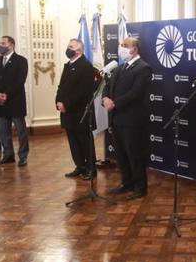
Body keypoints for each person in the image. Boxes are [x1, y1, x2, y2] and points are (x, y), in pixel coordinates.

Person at [102, 37, 153, 200]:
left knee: (134, 154)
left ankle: (140, 187)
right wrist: (105, 99)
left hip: (132, 120)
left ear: (135, 49)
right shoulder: (119, 68)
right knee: (121, 155)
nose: (122, 48)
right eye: (121, 45)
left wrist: (115, 103)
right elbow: (107, 88)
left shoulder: (143, 68)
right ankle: (126, 182)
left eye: (125, 46)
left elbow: (135, 93)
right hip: (116, 119)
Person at [56, 39, 96, 180]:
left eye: (71, 47)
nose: (68, 49)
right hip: (67, 112)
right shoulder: (68, 65)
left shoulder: (86, 66)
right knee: (73, 141)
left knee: (84, 141)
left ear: (79, 50)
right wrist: (58, 102)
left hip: (80, 112)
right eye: (68, 46)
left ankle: (91, 168)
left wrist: (66, 104)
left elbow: (82, 92)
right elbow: (61, 86)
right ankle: (80, 166)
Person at [0, 35, 29, 167]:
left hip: (15, 101)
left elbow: (20, 80)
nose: (0, 45)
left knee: (21, 131)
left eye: (3, 43)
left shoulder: (21, 61)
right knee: (4, 131)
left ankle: (23, 156)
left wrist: (6, 94)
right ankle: (8, 155)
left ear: (11, 45)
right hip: (0, 102)